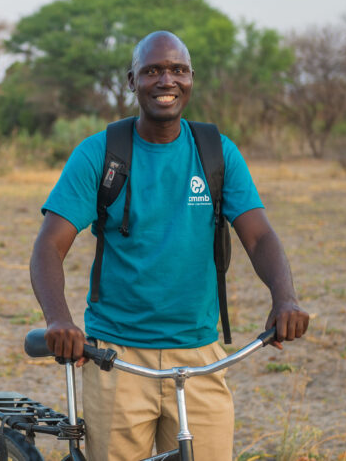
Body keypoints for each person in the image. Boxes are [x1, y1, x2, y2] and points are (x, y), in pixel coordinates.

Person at [29, 31, 310, 461]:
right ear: (131, 81)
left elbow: (259, 235)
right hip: (115, 358)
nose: (167, 80)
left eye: (178, 70)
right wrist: (58, 321)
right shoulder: (100, 155)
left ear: (191, 79)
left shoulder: (217, 153)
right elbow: (49, 245)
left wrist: (285, 297)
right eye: (153, 70)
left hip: (200, 354)